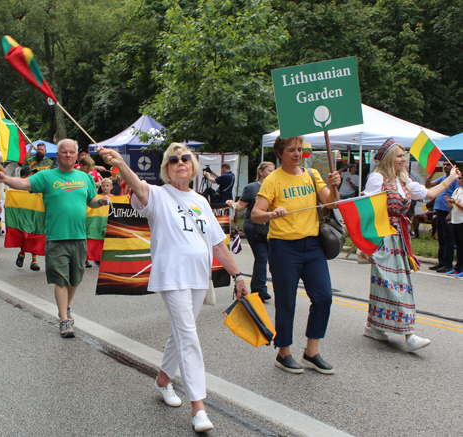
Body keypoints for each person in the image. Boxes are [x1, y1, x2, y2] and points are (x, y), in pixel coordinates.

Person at [99, 142, 248, 433]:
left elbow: (218, 244)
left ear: (193, 167)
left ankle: (163, 381)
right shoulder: (156, 194)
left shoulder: (202, 201)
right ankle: (199, 408)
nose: (181, 163)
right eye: (174, 160)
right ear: (167, 168)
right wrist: (120, 163)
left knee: (182, 332)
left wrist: (239, 276)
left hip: (198, 276)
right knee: (189, 336)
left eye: (186, 159)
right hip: (172, 276)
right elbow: (137, 185)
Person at [0, 139, 111, 338]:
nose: (68, 155)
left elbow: (91, 201)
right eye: (64, 152)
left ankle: (66, 308)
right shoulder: (46, 176)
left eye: (71, 152)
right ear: (58, 155)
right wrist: (6, 179)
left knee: (75, 279)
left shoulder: (85, 178)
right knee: (60, 280)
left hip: (79, 237)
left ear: (76, 155)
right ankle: (64, 320)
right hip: (56, 237)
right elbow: (25, 183)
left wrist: (101, 201)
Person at [251, 135, 340, 375]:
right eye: (291, 150)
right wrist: (272, 214)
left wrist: (334, 186)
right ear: (280, 153)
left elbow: (331, 204)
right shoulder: (272, 180)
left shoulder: (312, 175)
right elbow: (255, 214)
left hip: (312, 246)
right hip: (283, 247)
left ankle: (312, 352)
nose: (297, 153)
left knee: (323, 297)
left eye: (300, 149)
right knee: (286, 302)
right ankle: (284, 353)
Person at [361, 138, 460, 352]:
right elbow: (366, 209)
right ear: (389, 158)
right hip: (383, 237)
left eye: (403, 156)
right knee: (392, 285)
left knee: (389, 283)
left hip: (400, 238)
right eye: (399, 156)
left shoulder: (404, 180)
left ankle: (373, 326)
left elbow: (429, 194)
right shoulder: (377, 178)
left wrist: (451, 178)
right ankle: (409, 335)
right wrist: (366, 243)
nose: (403, 160)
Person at [227, 161, 275, 302]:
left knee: (270, 257)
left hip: (270, 226)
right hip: (254, 226)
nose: (272, 173)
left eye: (274, 171)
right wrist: (233, 204)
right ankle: (260, 290)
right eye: (269, 171)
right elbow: (241, 206)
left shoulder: (275, 187)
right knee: (261, 257)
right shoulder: (252, 188)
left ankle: (258, 286)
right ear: (261, 171)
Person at [425, 158, 458, 273]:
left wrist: (450, 212)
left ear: (453, 166)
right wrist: (431, 174)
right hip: (439, 210)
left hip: (447, 211)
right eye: (444, 165)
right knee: (441, 238)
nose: (445, 167)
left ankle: (448, 264)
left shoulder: (455, 179)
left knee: (448, 238)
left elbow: (455, 196)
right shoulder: (443, 178)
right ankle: (441, 262)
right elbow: (428, 185)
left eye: (448, 165)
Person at [15, 166, 41, 271]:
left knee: (33, 236)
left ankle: (34, 261)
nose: (32, 176)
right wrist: (8, 192)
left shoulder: (36, 186)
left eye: (33, 174)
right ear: (23, 177)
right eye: (30, 174)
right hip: (23, 214)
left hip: (34, 214)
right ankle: (22, 253)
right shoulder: (19, 187)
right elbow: (13, 194)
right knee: (25, 236)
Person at [445, 177, 463, 277]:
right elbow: (451, 206)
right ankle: (458, 268)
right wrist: (450, 203)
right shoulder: (457, 190)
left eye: (460, 178)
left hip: (462, 221)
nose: (458, 179)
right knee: (459, 246)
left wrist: (455, 202)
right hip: (455, 220)